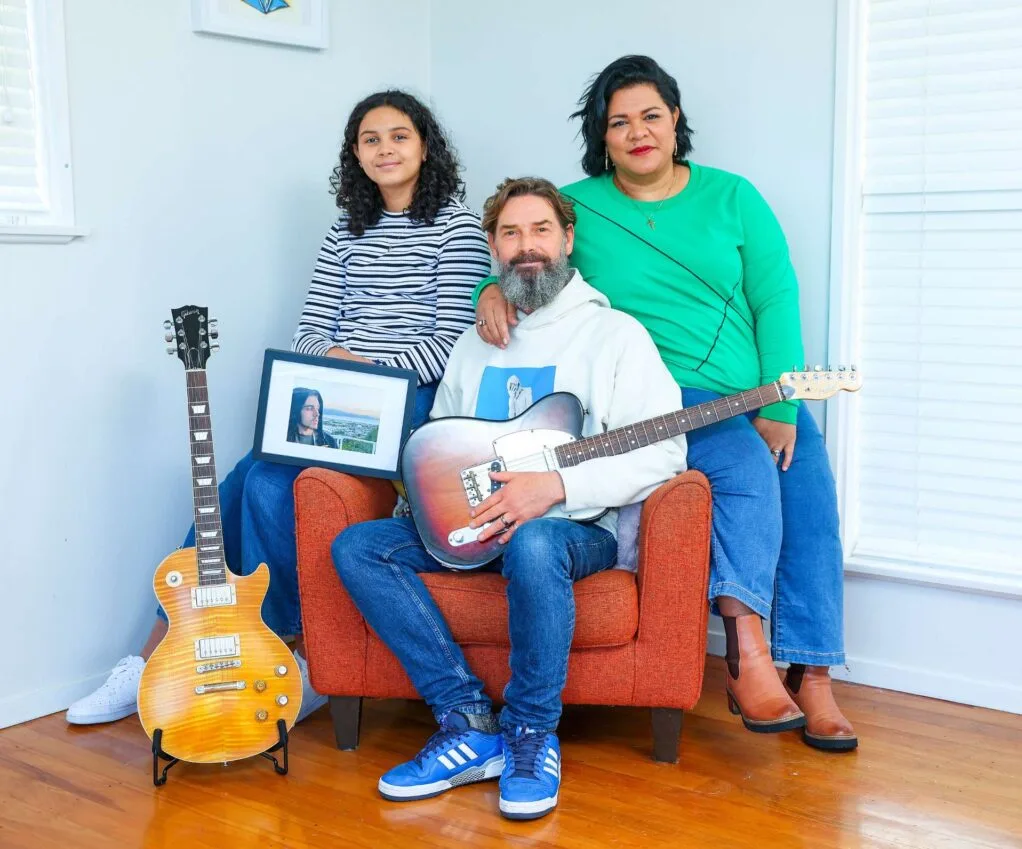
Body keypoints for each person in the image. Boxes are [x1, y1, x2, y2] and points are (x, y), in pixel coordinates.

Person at [66, 90, 491, 726]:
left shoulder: (456, 228)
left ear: (424, 146)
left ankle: (285, 650)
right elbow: (311, 330)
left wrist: (371, 370)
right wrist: (336, 364)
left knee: (262, 484)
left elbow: (450, 340)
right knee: (247, 479)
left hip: (411, 397)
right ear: (355, 154)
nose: (385, 149)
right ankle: (158, 658)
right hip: (337, 390)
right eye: (370, 139)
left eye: (398, 136)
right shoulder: (344, 232)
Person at [474, 56, 856, 752]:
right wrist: (489, 292)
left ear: (675, 121)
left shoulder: (734, 197)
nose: (637, 131)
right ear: (603, 136)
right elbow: (520, 252)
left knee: (806, 470)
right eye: (619, 122)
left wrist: (782, 403)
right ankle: (748, 651)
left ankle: (817, 673)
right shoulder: (577, 205)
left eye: (650, 115)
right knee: (743, 460)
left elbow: (776, 298)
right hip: (647, 395)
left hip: (748, 393)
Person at [332, 177, 686, 821]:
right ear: (493, 247)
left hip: (574, 530)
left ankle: (529, 733)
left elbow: (666, 453)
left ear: (568, 240)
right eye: (511, 234)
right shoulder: (475, 341)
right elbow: (440, 445)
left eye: (541, 231)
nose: (528, 247)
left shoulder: (616, 336)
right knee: (359, 546)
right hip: (477, 524)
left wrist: (555, 485)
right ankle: (467, 723)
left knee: (536, 537)